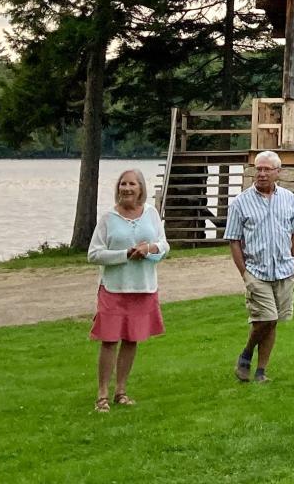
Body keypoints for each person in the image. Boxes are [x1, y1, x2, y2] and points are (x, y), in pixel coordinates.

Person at [87, 168, 168, 412]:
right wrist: (124, 255)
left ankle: (121, 391)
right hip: (114, 288)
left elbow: (164, 245)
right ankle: (102, 394)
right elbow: (94, 254)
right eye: (123, 184)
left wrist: (150, 249)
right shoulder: (108, 218)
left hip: (143, 288)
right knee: (109, 340)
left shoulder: (152, 214)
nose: (127, 188)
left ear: (141, 188)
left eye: (132, 184)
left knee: (132, 340)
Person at [225, 150, 294, 383]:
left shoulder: (288, 199)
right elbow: (234, 240)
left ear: (277, 172)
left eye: (266, 169)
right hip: (256, 271)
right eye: (258, 169)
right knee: (267, 318)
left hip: (283, 269)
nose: (261, 174)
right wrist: (245, 273)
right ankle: (246, 353)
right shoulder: (241, 202)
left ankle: (260, 371)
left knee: (272, 322)